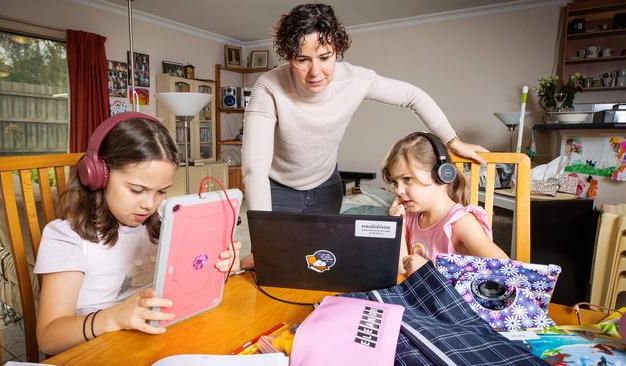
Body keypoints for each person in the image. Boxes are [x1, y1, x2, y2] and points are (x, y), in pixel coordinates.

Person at [242, 3, 487, 216]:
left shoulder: (354, 80)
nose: (315, 71)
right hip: (278, 189)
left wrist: (453, 141)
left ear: (337, 50)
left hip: (326, 186)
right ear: (289, 57)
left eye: (325, 57)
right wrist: (261, 231)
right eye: (303, 59)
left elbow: (414, 96)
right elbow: (255, 167)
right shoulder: (269, 87)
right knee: (274, 262)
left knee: (321, 261)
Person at [34, 112, 241, 355]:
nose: (149, 204)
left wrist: (218, 267)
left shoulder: (165, 222)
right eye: (137, 190)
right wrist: (113, 318)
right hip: (100, 352)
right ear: (99, 175)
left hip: (157, 344)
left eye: (161, 191)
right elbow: (48, 338)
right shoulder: (67, 238)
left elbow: (183, 288)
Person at [382, 132, 508, 276]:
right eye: (395, 182)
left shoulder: (461, 222)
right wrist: (398, 225)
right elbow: (401, 272)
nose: (398, 190)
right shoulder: (409, 217)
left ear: (440, 174)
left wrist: (432, 270)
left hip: (451, 298)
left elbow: (505, 271)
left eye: (407, 179)